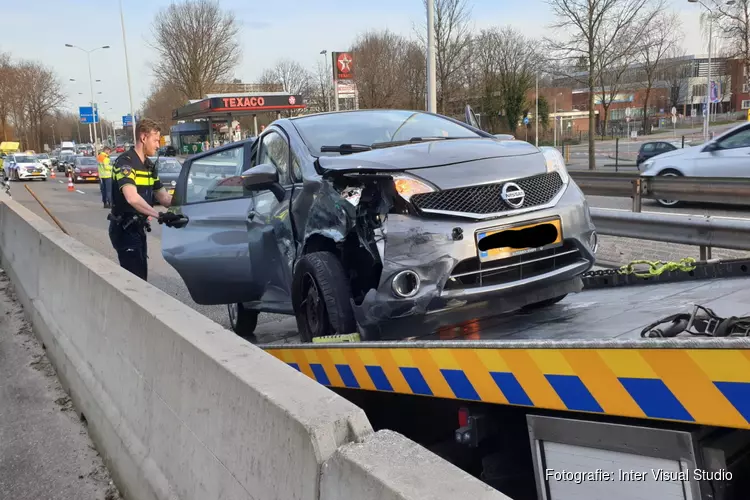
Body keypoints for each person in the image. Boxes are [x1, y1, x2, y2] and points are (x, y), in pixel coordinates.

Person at [109, 119, 180, 281]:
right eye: (155, 140)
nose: (158, 145)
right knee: (136, 283)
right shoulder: (125, 163)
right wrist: (159, 215)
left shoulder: (148, 166)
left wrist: (188, 202)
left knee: (141, 279)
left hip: (138, 229)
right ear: (143, 138)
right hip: (125, 229)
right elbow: (131, 197)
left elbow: (164, 197)